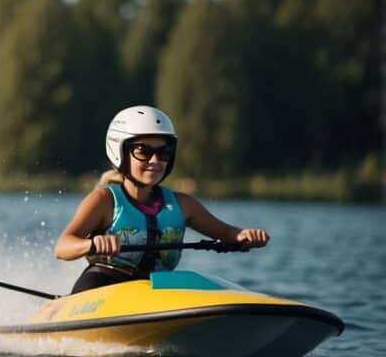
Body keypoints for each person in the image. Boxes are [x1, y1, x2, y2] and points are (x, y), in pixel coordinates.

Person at [55, 105, 269, 293]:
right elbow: (63, 247)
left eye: (163, 152)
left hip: (154, 290)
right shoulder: (104, 200)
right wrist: (92, 243)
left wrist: (243, 236)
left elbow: (226, 233)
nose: (155, 160)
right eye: (143, 152)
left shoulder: (184, 204)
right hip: (100, 286)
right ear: (120, 152)